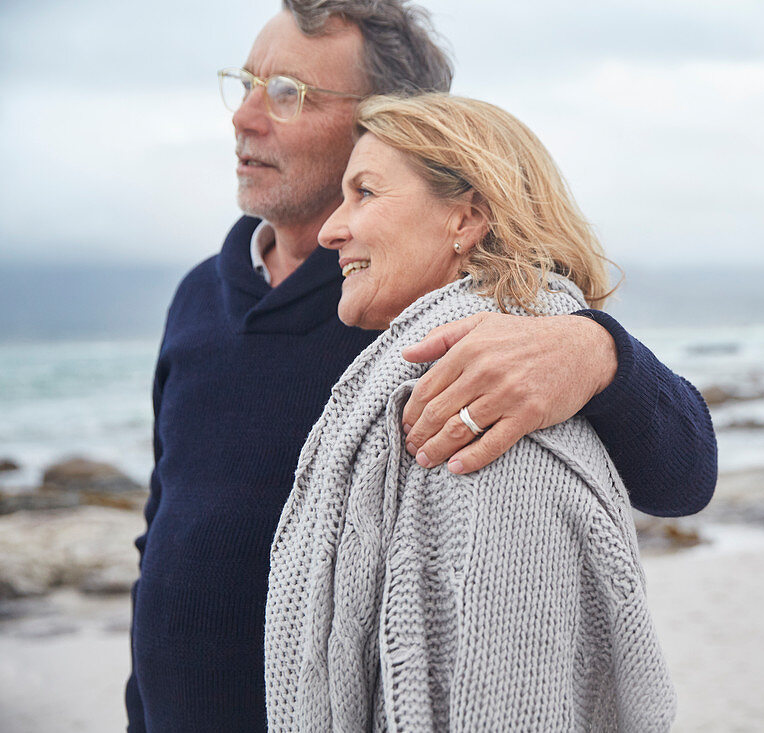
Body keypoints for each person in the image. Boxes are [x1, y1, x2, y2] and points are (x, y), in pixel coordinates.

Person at [127, 1, 715, 730]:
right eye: (245, 83)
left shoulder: (437, 318)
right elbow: (160, 539)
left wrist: (596, 349)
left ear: (389, 121)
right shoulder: (196, 298)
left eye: (287, 92)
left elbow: (685, 473)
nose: (244, 117)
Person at [265, 91, 675, 731]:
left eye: (365, 193)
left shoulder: (487, 420)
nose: (329, 230)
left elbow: (509, 705)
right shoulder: (420, 375)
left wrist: (599, 351)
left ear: (465, 220)